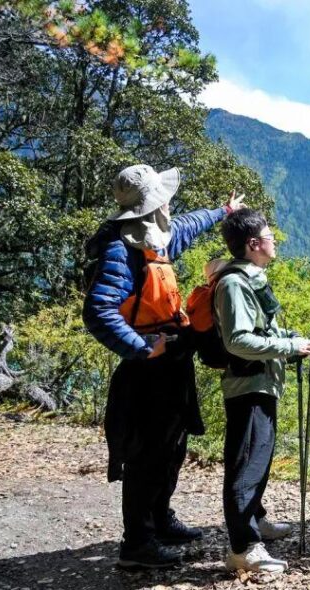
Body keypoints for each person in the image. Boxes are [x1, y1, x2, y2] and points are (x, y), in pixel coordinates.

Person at [83, 164, 244, 569]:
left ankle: (158, 518)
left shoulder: (156, 236)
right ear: (152, 205)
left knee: (172, 447)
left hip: (171, 358)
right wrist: (141, 347)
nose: (170, 203)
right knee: (149, 453)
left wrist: (223, 211)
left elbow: (189, 224)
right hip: (149, 368)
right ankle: (137, 544)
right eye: (163, 197)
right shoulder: (122, 249)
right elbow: (99, 310)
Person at [214, 209, 310, 574]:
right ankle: (243, 548)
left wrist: (292, 341)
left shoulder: (251, 279)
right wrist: (290, 347)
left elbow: (262, 331)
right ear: (253, 244)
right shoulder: (234, 284)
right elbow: (237, 340)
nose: (274, 241)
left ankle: (256, 520)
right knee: (246, 466)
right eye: (269, 236)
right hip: (247, 386)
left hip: (262, 383)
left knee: (258, 458)